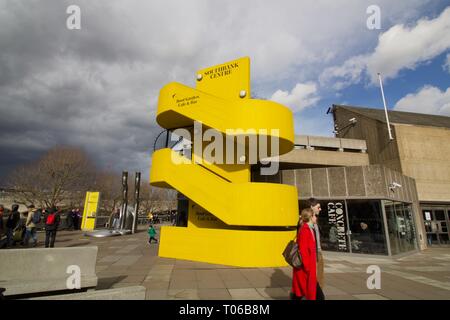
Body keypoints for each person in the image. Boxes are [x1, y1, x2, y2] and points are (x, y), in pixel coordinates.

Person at [292, 208, 317, 300]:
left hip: (309, 265)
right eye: (314, 216)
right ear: (310, 217)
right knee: (304, 291)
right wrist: (307, 267)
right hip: (306, 267)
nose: (316, 218)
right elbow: (303, 250)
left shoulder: (309, 228)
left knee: (303, 292)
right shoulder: (305, 230)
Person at [308, 197, 325, 300]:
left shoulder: (315, 221)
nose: (320, 209)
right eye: (318, 207)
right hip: (314, 253)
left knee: (319, 276)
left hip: (318, 252)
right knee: (315, 277)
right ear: (311, 207)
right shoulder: (306, 222)